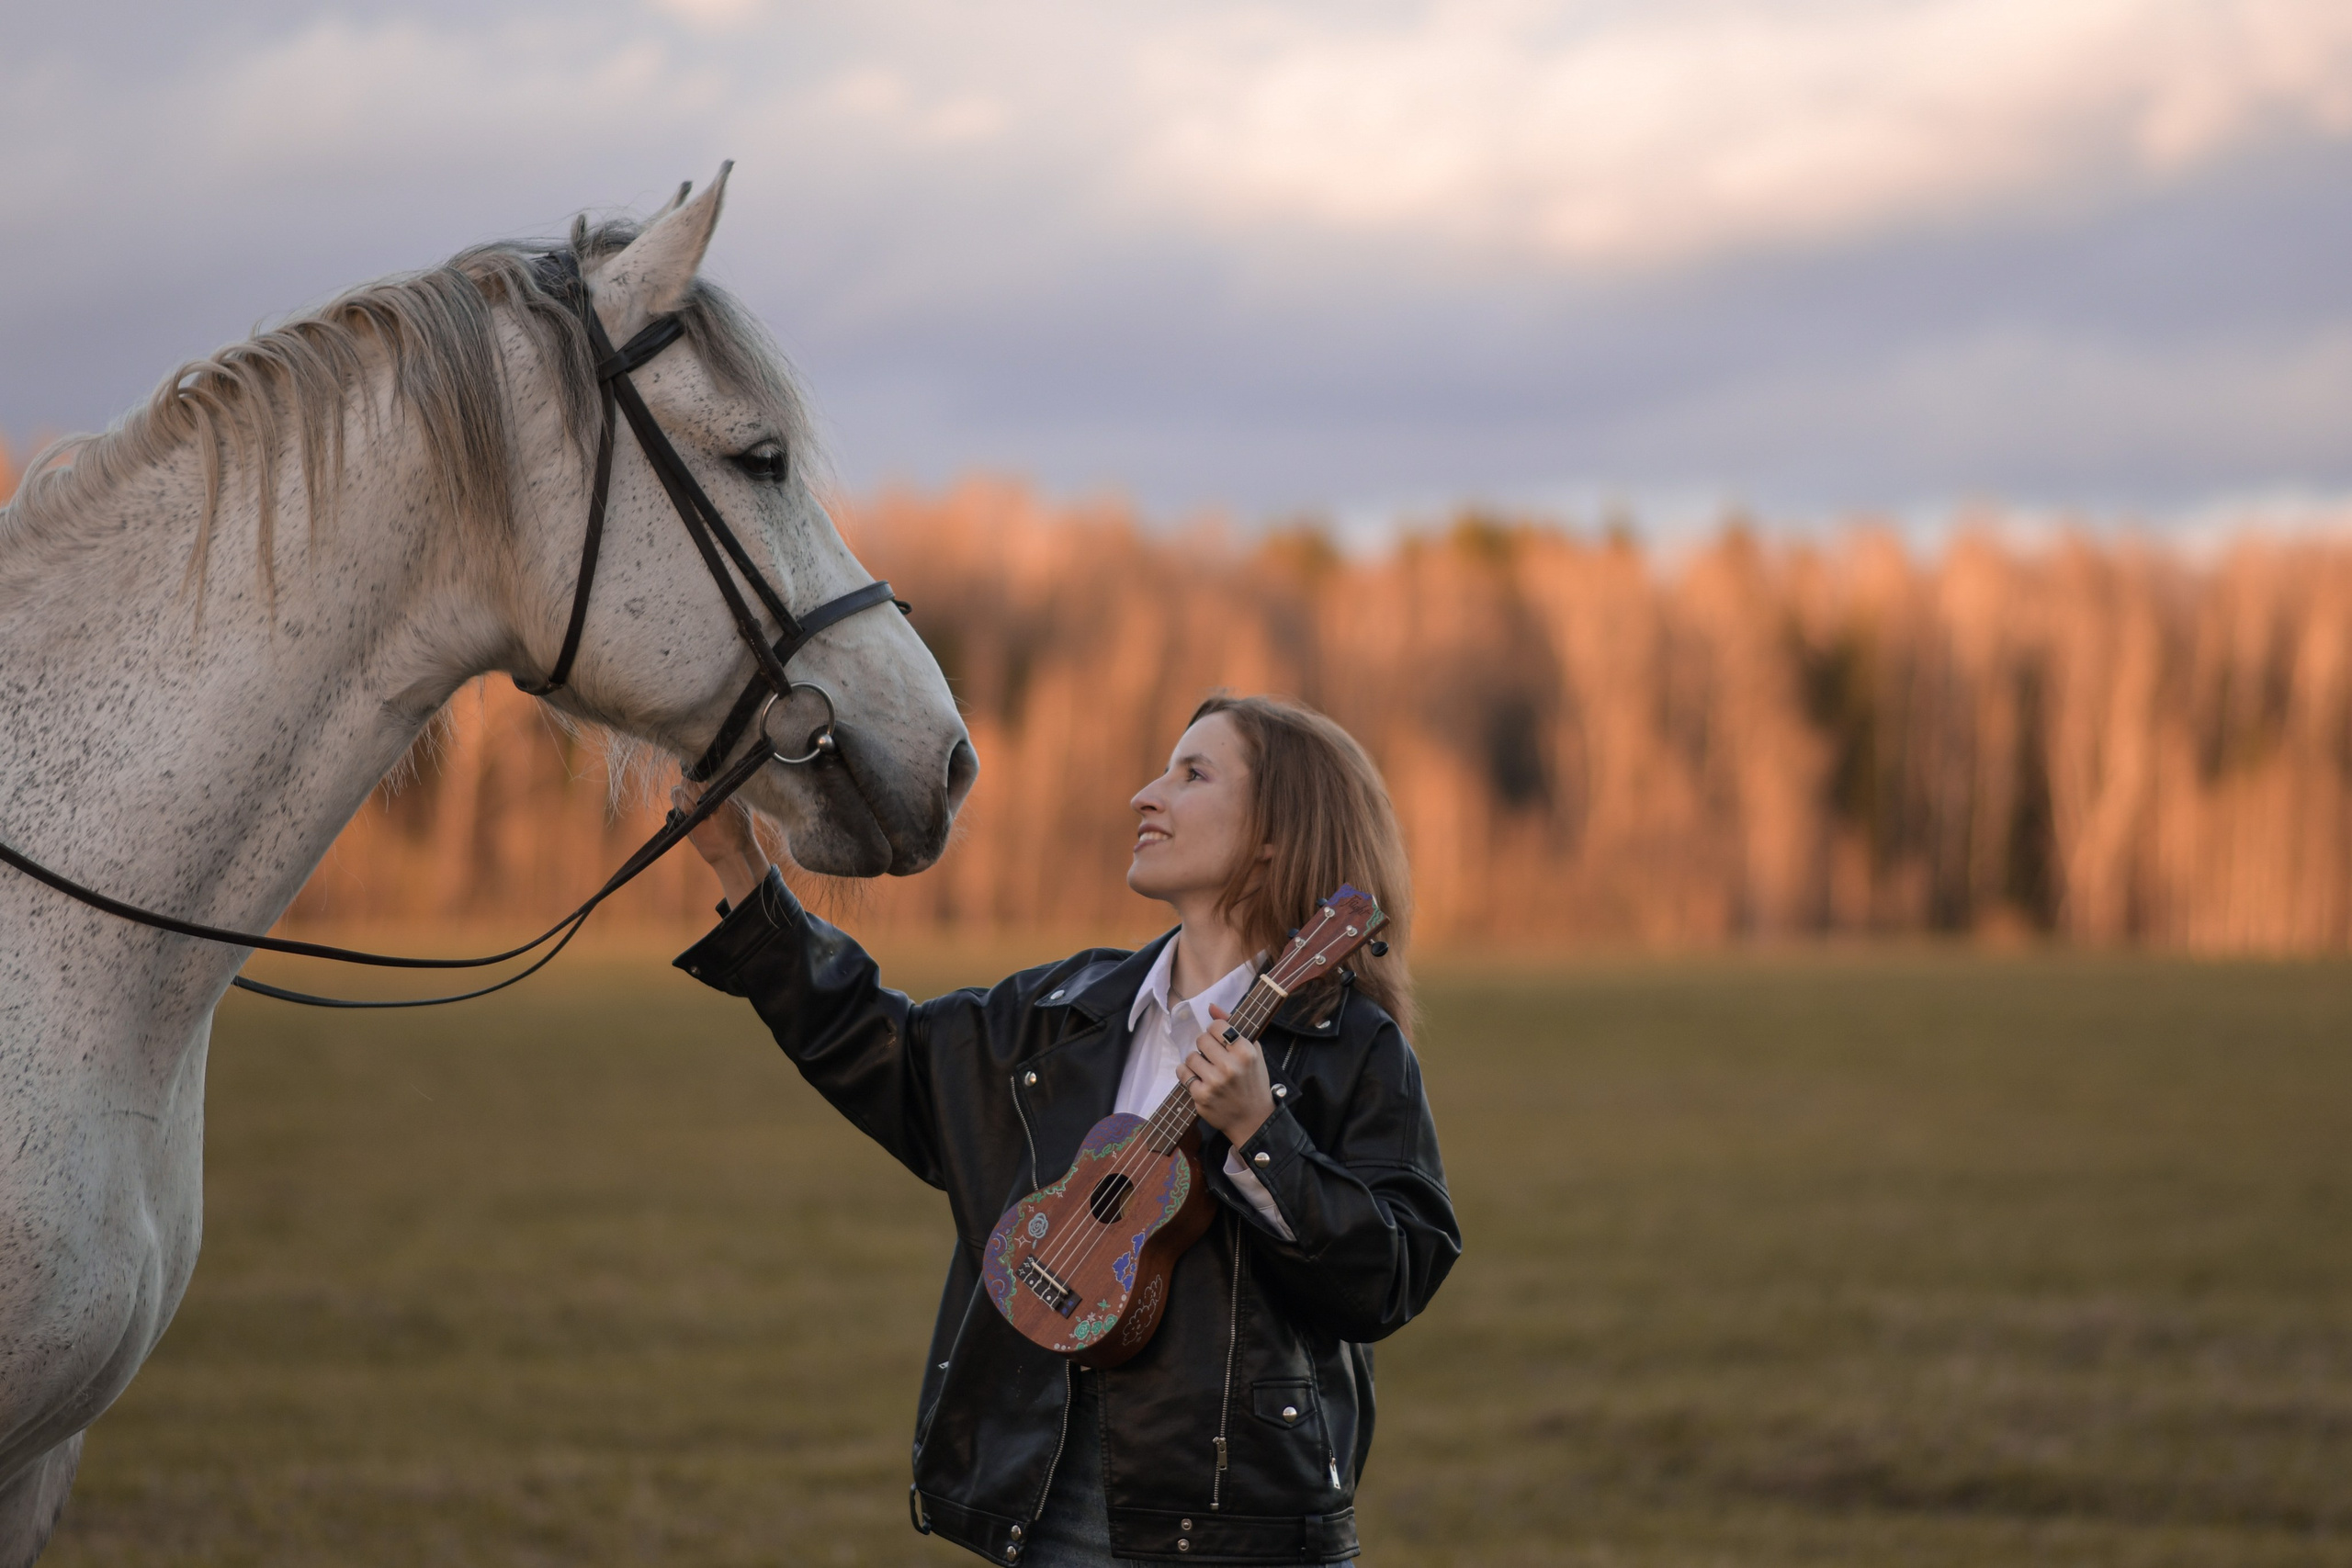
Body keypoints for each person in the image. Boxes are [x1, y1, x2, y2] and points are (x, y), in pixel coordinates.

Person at [672, 694, 1461, 1566]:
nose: (1144, 796)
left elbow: (1392, 1274)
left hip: (1246, 1519)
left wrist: (1263, 1135)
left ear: (1276, 832)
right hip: (1049, 1497)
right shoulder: (1063, 1014)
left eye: (1192, 773)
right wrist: (739, 865)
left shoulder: (1351, 1046)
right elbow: (872, 1045)